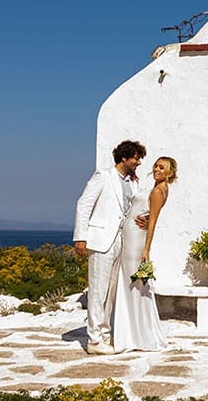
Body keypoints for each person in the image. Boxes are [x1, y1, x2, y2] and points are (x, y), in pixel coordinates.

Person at [73, 140, 147, 355]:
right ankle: (94, 340)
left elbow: (132, 207)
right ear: (124, 157)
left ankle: (105, 335)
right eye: (135, 157)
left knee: (111, 292)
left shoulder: (133, 182)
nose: (138, 162)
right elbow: (84, 204)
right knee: (98, 291)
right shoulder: (103, 176)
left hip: (122, 241)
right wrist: (80, 238)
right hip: (101, 240)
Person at [111, 156, 177, 352]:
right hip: (132, 236)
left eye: (162, 167)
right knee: (132, 284)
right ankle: (131, 332)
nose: (156, 169)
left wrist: (146, 249)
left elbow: (153, 221)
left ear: (170, 173)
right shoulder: (159, 188)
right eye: (156, 165)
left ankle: (135, 335)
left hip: (137, 241)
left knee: (133, 284)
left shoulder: (158, 190)